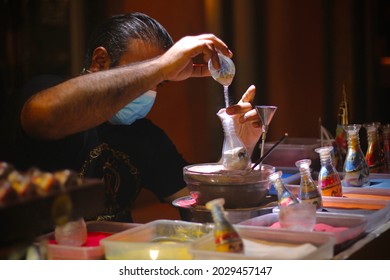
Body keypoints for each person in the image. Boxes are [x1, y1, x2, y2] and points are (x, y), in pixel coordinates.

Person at [3, 13, 262, 222]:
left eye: (159, 83)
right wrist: (161, 67)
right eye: (142, 76)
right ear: (100, 61)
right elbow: (45, 118)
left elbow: (204, 208)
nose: (149, 91)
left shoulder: (144, 137)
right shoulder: (45, 91)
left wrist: (237, 148)